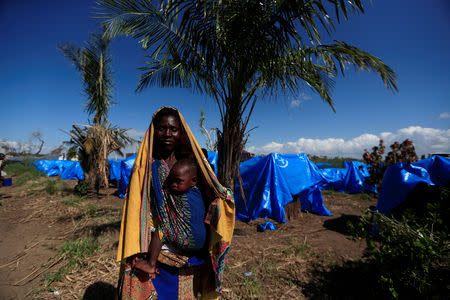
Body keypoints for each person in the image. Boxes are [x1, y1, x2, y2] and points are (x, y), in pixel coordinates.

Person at [116, 107, 235, 299]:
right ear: (154, 131)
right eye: (162, 128)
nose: (167, 134)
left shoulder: (193, 163)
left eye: (173, 129)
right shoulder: (147, 166)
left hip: (192, 244)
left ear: (181, 132)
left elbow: (211, 192)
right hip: (158, 244)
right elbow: (138, 204)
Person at [134, 158, 207, 275]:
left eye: (178, 181)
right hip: (202, 242)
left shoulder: (178, 195)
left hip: (188, 238)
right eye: (171, 180)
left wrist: (155, 166)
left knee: (161, 231)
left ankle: (150, 264)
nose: (173, 184)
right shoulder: (198, 192)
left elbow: (160, 189)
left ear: (193, 181)